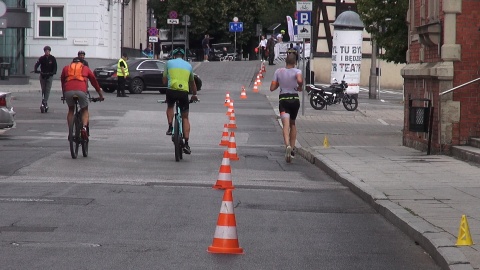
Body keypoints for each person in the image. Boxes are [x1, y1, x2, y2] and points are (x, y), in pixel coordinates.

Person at [162, 48, 198, 154]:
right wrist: (195, 94)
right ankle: (186, 143)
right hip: (183, 92)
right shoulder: (189, 66)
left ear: (173, 56)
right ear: (183, 56)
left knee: (170, 106)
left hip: (171, 91)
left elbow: (164, 81)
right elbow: (192, 83)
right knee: (185, 117)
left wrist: (168, 79)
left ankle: (170, 127)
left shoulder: (168, 63)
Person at [269, 54, 303, 163]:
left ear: (285, 62)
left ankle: (287, 145)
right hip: (294, 100)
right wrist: (300, 86)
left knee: (285, 125)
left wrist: (280, 83)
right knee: (293, 124)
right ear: (295, 62)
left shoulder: (279, 72)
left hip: (283, 100)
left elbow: (272, 88)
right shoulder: (297, 71)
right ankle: (292, 149)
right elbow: (300, 80)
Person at [60, 57, 104, 141]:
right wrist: (100, 95)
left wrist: (64, 94)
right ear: (81, 63)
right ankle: (84, 128)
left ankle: (70, 132)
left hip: (68, 91)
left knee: (71, 110)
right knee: (84, 110)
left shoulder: (66, 68)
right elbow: (94, 81)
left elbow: (63, 81)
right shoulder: (85, 68)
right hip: (81, 90)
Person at [34, 46, 57, 112]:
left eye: (48, 51)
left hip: (49, 75)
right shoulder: (42, 58)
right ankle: (45, 102)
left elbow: (55, 67)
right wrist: (35, 69)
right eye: (46, 51)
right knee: (43, 89)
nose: (47, 52)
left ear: (50, 51)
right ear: (44, 51)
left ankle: (44, 102)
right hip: (43, 75)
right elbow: (37, 64)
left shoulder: (52, 58)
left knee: (47, 89)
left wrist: (53, 72)